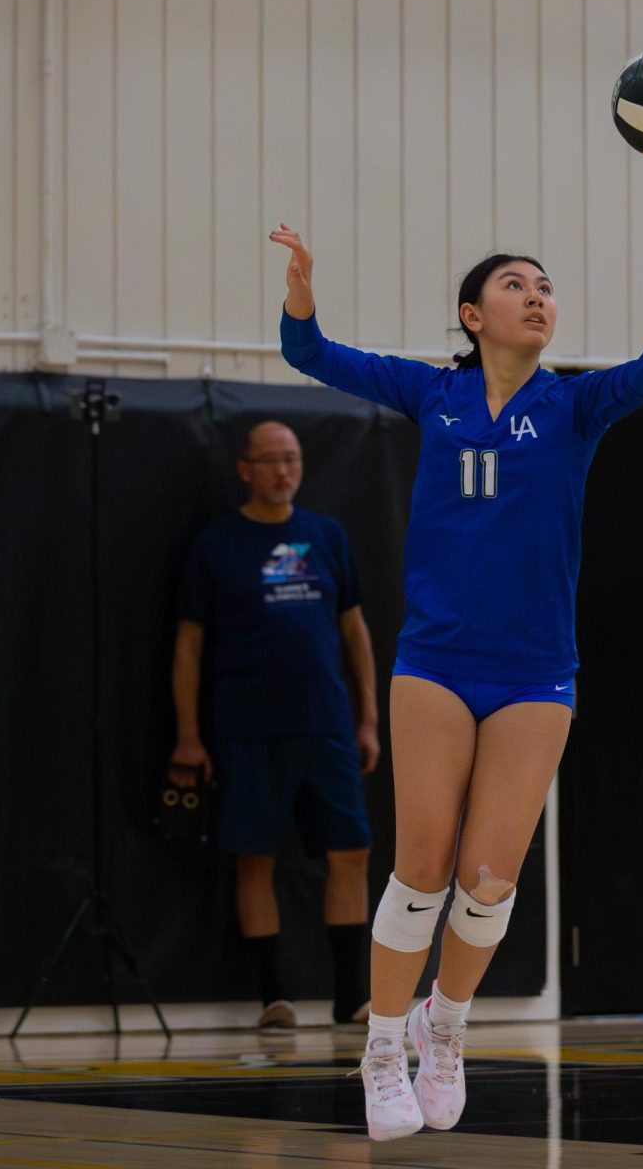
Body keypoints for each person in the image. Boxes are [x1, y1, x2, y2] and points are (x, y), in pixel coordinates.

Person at [270, 221, 643, 1140]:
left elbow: (641, 380)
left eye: (545, 286)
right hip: (437, 661)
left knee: (489, 878)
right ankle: (382, 1048)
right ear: (472, 314)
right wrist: (301, 290)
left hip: (535, 671)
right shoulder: (431, 391)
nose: (536, 296)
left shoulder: (574, 407)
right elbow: (310, 352)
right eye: (515, 285)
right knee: (421, 866)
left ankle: (445, 1027)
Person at [169, 420, 381, 1029]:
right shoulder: (216, 546)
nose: (282, 471)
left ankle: (352, 997)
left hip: (326, 726)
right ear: (245, 469)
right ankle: (274, 997)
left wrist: (367, 717)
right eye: (269, 461)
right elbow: (188, 646)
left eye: (291, 459)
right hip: (248, 729)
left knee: (350, 852)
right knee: (254, 858)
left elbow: (354, 630)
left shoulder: (326, 537)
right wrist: (188, 734)